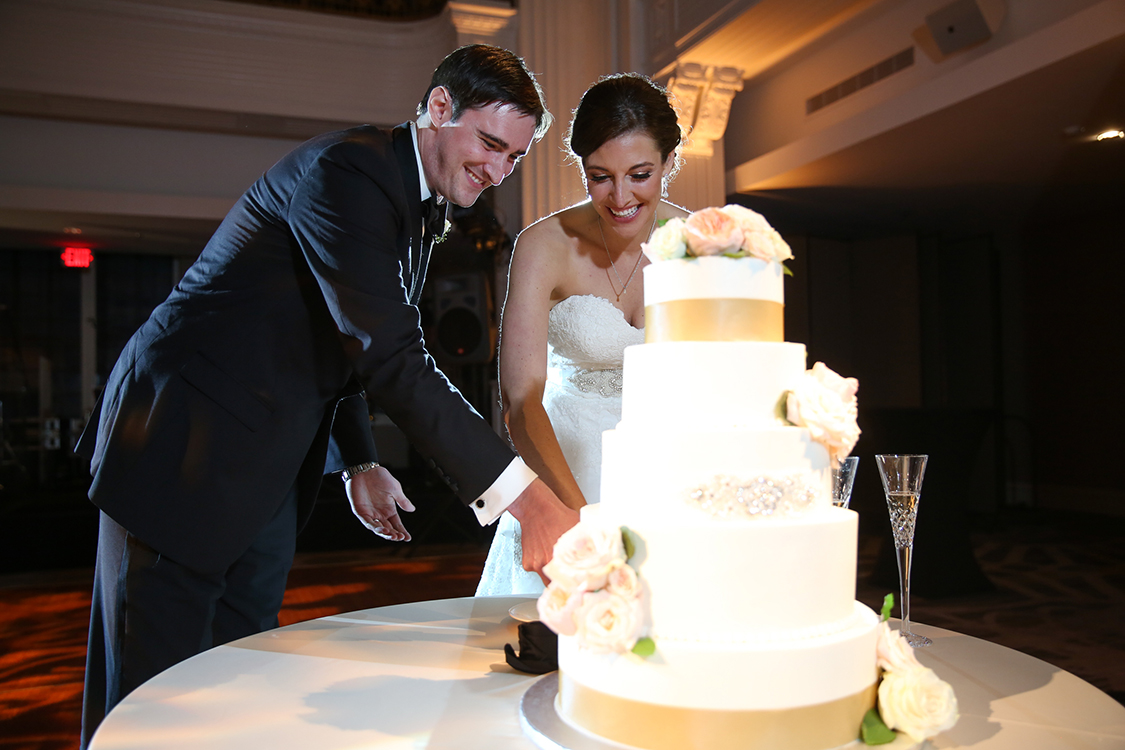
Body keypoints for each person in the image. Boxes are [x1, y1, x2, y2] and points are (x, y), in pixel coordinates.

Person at [75, 44, 578, 748]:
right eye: (489, 144)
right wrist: (529, 500)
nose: (496, 170)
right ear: (438, 109)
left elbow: (338, 335)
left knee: (237, 670)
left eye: (514, 158)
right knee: (148, 691)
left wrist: (358, 460)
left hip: (271, 462)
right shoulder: (348, 172)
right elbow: (391, 356)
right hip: (180, 445)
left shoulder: (419, 198)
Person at [476, 73, 686, 595]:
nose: (619, 198)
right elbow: (521, 399)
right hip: (566, 467)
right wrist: (579, 516)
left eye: (640, 174)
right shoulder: (542, 246)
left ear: (669, 162)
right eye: (600, 177)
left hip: (671, 472)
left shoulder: (702, 242)